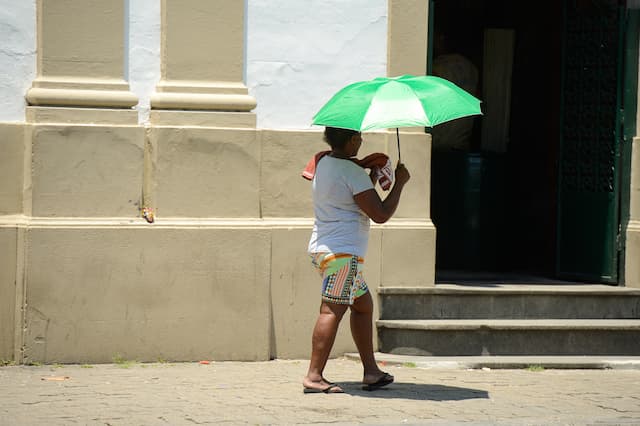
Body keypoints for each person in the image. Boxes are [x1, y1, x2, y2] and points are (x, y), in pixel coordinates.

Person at [302, 127, 411, 394]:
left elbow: (349, 199)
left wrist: (370, 178)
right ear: (351, 140)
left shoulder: (324, 162)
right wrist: (400, 183)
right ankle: (314, 376)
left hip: (325, 249)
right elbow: (380, 213)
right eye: (359, 137)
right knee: (331, 310)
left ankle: (371, 371)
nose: (362, 141)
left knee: (362, 306)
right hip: (343, 254)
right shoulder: (351, 171)